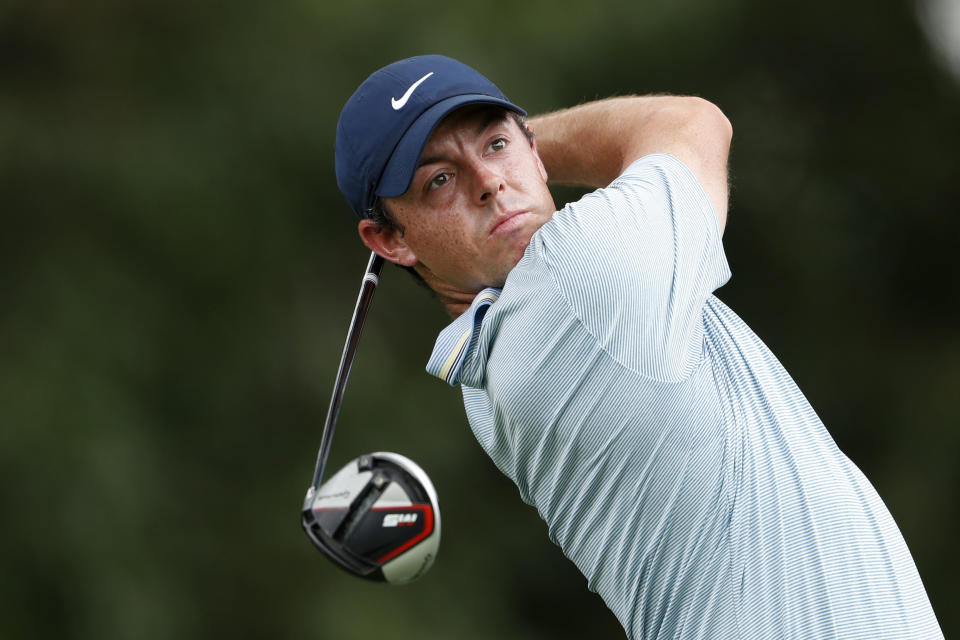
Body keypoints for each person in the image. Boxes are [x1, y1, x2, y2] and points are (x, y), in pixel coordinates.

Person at [333, 54, 943, 639]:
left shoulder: (484, 379)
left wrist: (505, 147)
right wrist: (526, 139)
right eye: (440, 179)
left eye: (496, 145)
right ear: (389, 241)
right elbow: (692, 122)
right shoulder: (575, 270)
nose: (490, 183)